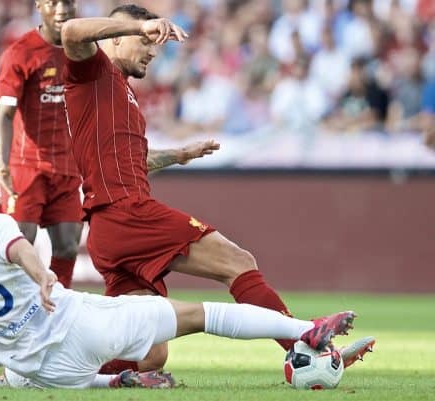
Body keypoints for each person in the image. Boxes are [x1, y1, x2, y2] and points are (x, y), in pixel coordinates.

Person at [59, 4, 375, 374]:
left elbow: (131, 159)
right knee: (237, 262)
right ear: (113, 39)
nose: (152, 50)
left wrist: (177, 154)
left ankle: (42, 371)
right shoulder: (93, 72)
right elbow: (70, 33)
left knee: (148, 354)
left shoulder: (117, 94)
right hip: (126, 212)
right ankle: (308, 340)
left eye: (153, 42)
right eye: (143, 41)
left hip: (109, 228)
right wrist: (140, 25)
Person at [0, 160, 362, 390]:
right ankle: (306, 329)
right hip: (74, 329)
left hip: (44, 372)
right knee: (198, 314)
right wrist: (43, 275)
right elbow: (18, 248)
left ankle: (113, 384)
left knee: (55, 367)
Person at [0, 0, 82, 289]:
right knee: (20, 244)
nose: (61, 10)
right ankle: (8, 317)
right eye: (52, 3)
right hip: (26, 166)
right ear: (39, 6)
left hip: (67, 167)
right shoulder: (20, 53)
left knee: (68, 247)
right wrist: (4, 164)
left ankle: (57, 313)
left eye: (67, 2)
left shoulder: (84, 51)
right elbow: (4, 115)